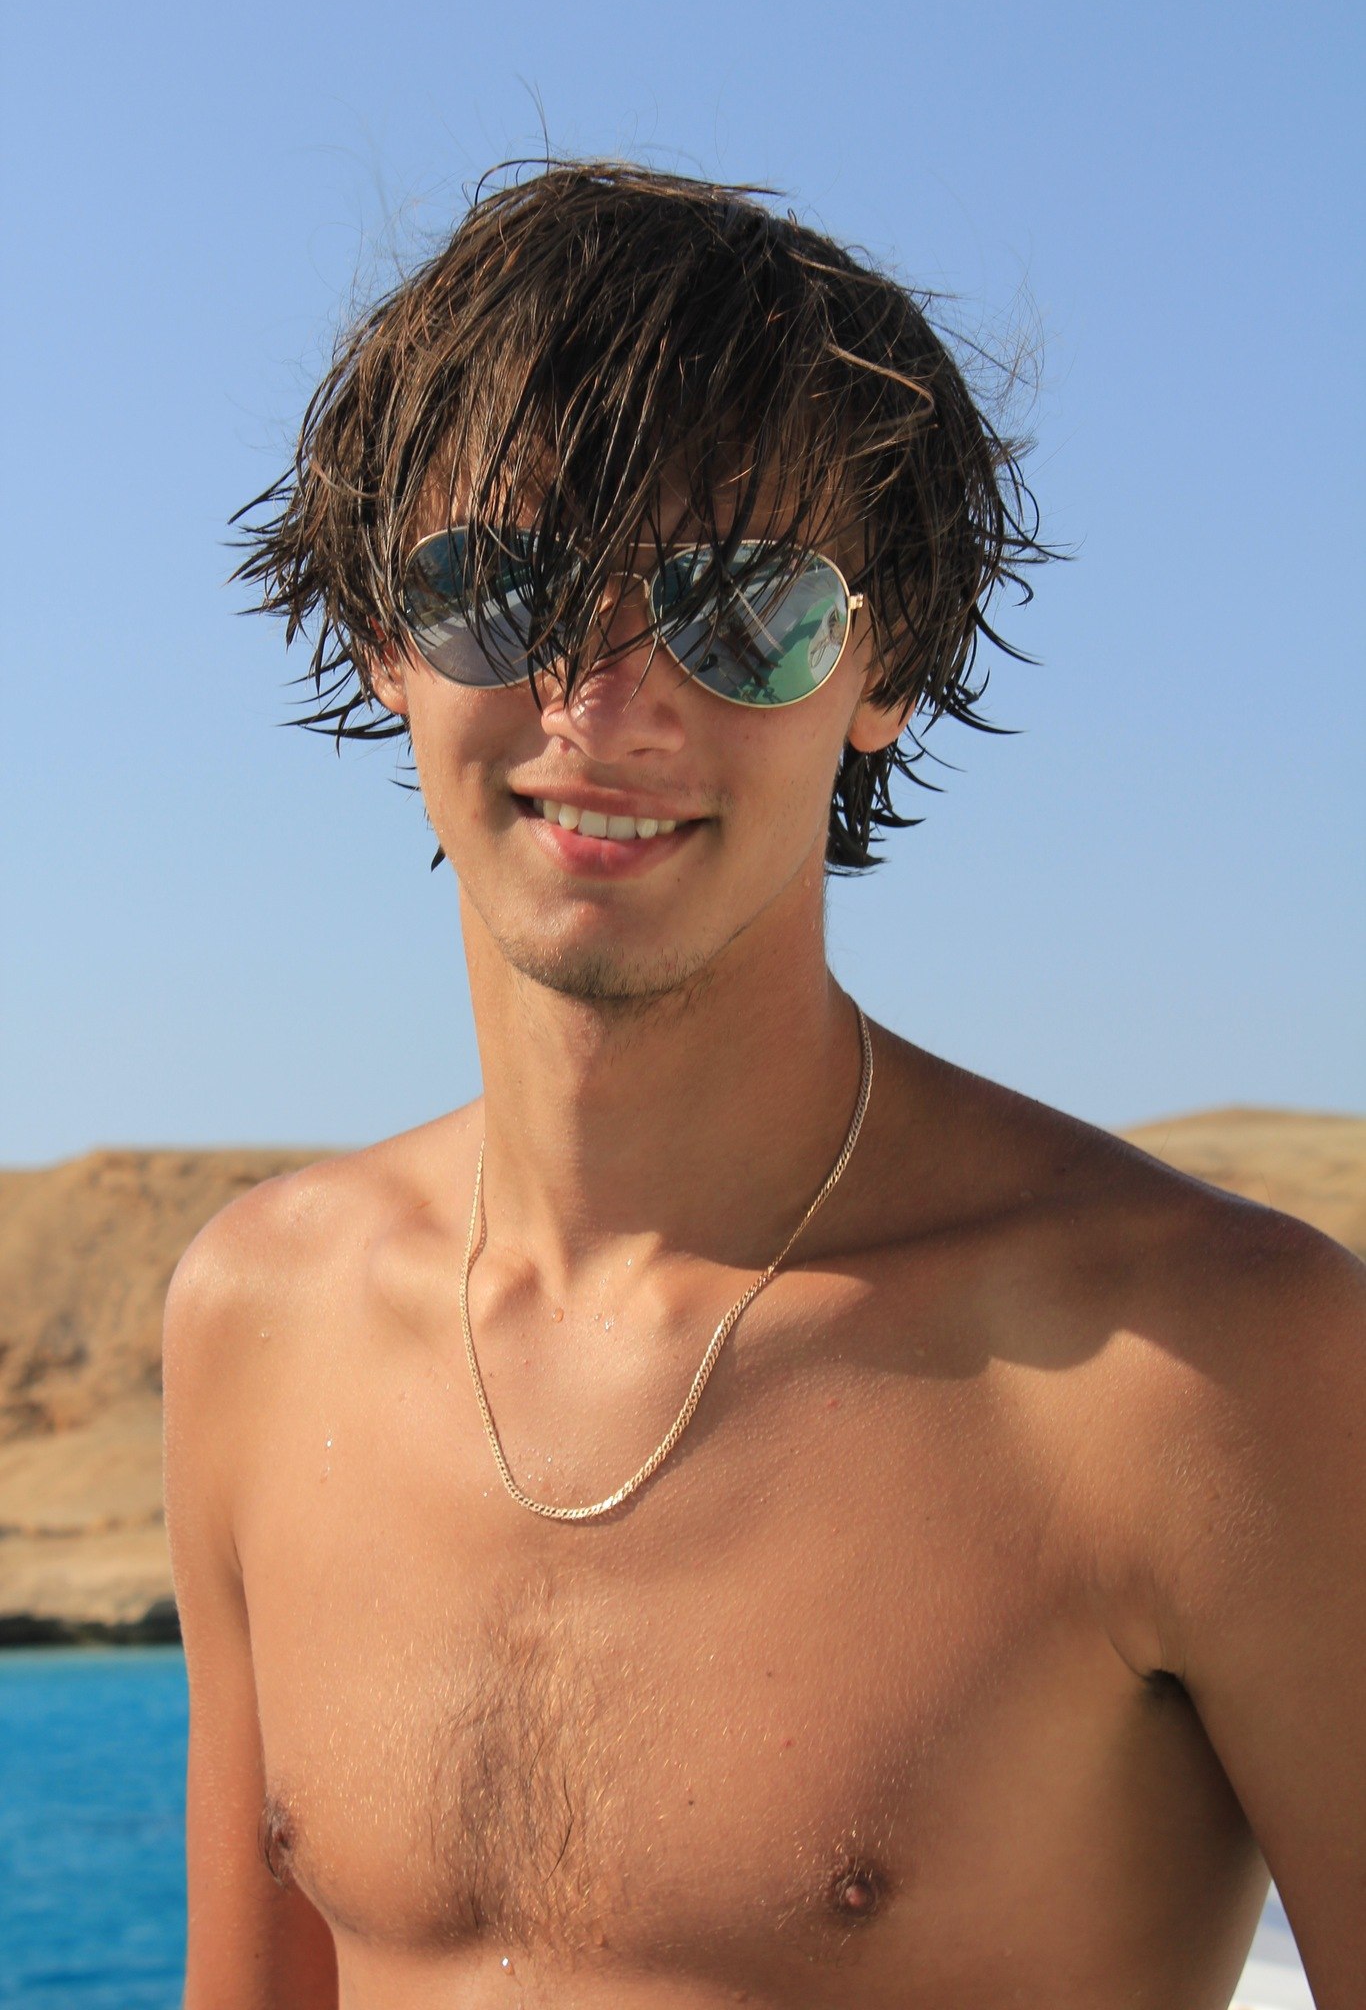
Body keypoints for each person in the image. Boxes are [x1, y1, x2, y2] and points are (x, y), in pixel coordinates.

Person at [162, 160, 1364, 2009]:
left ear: (884, 671)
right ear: (385, 636)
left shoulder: (1199, 1368)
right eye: (499, 587)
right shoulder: (261, 1324)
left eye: (740, 605)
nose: (602, 702)